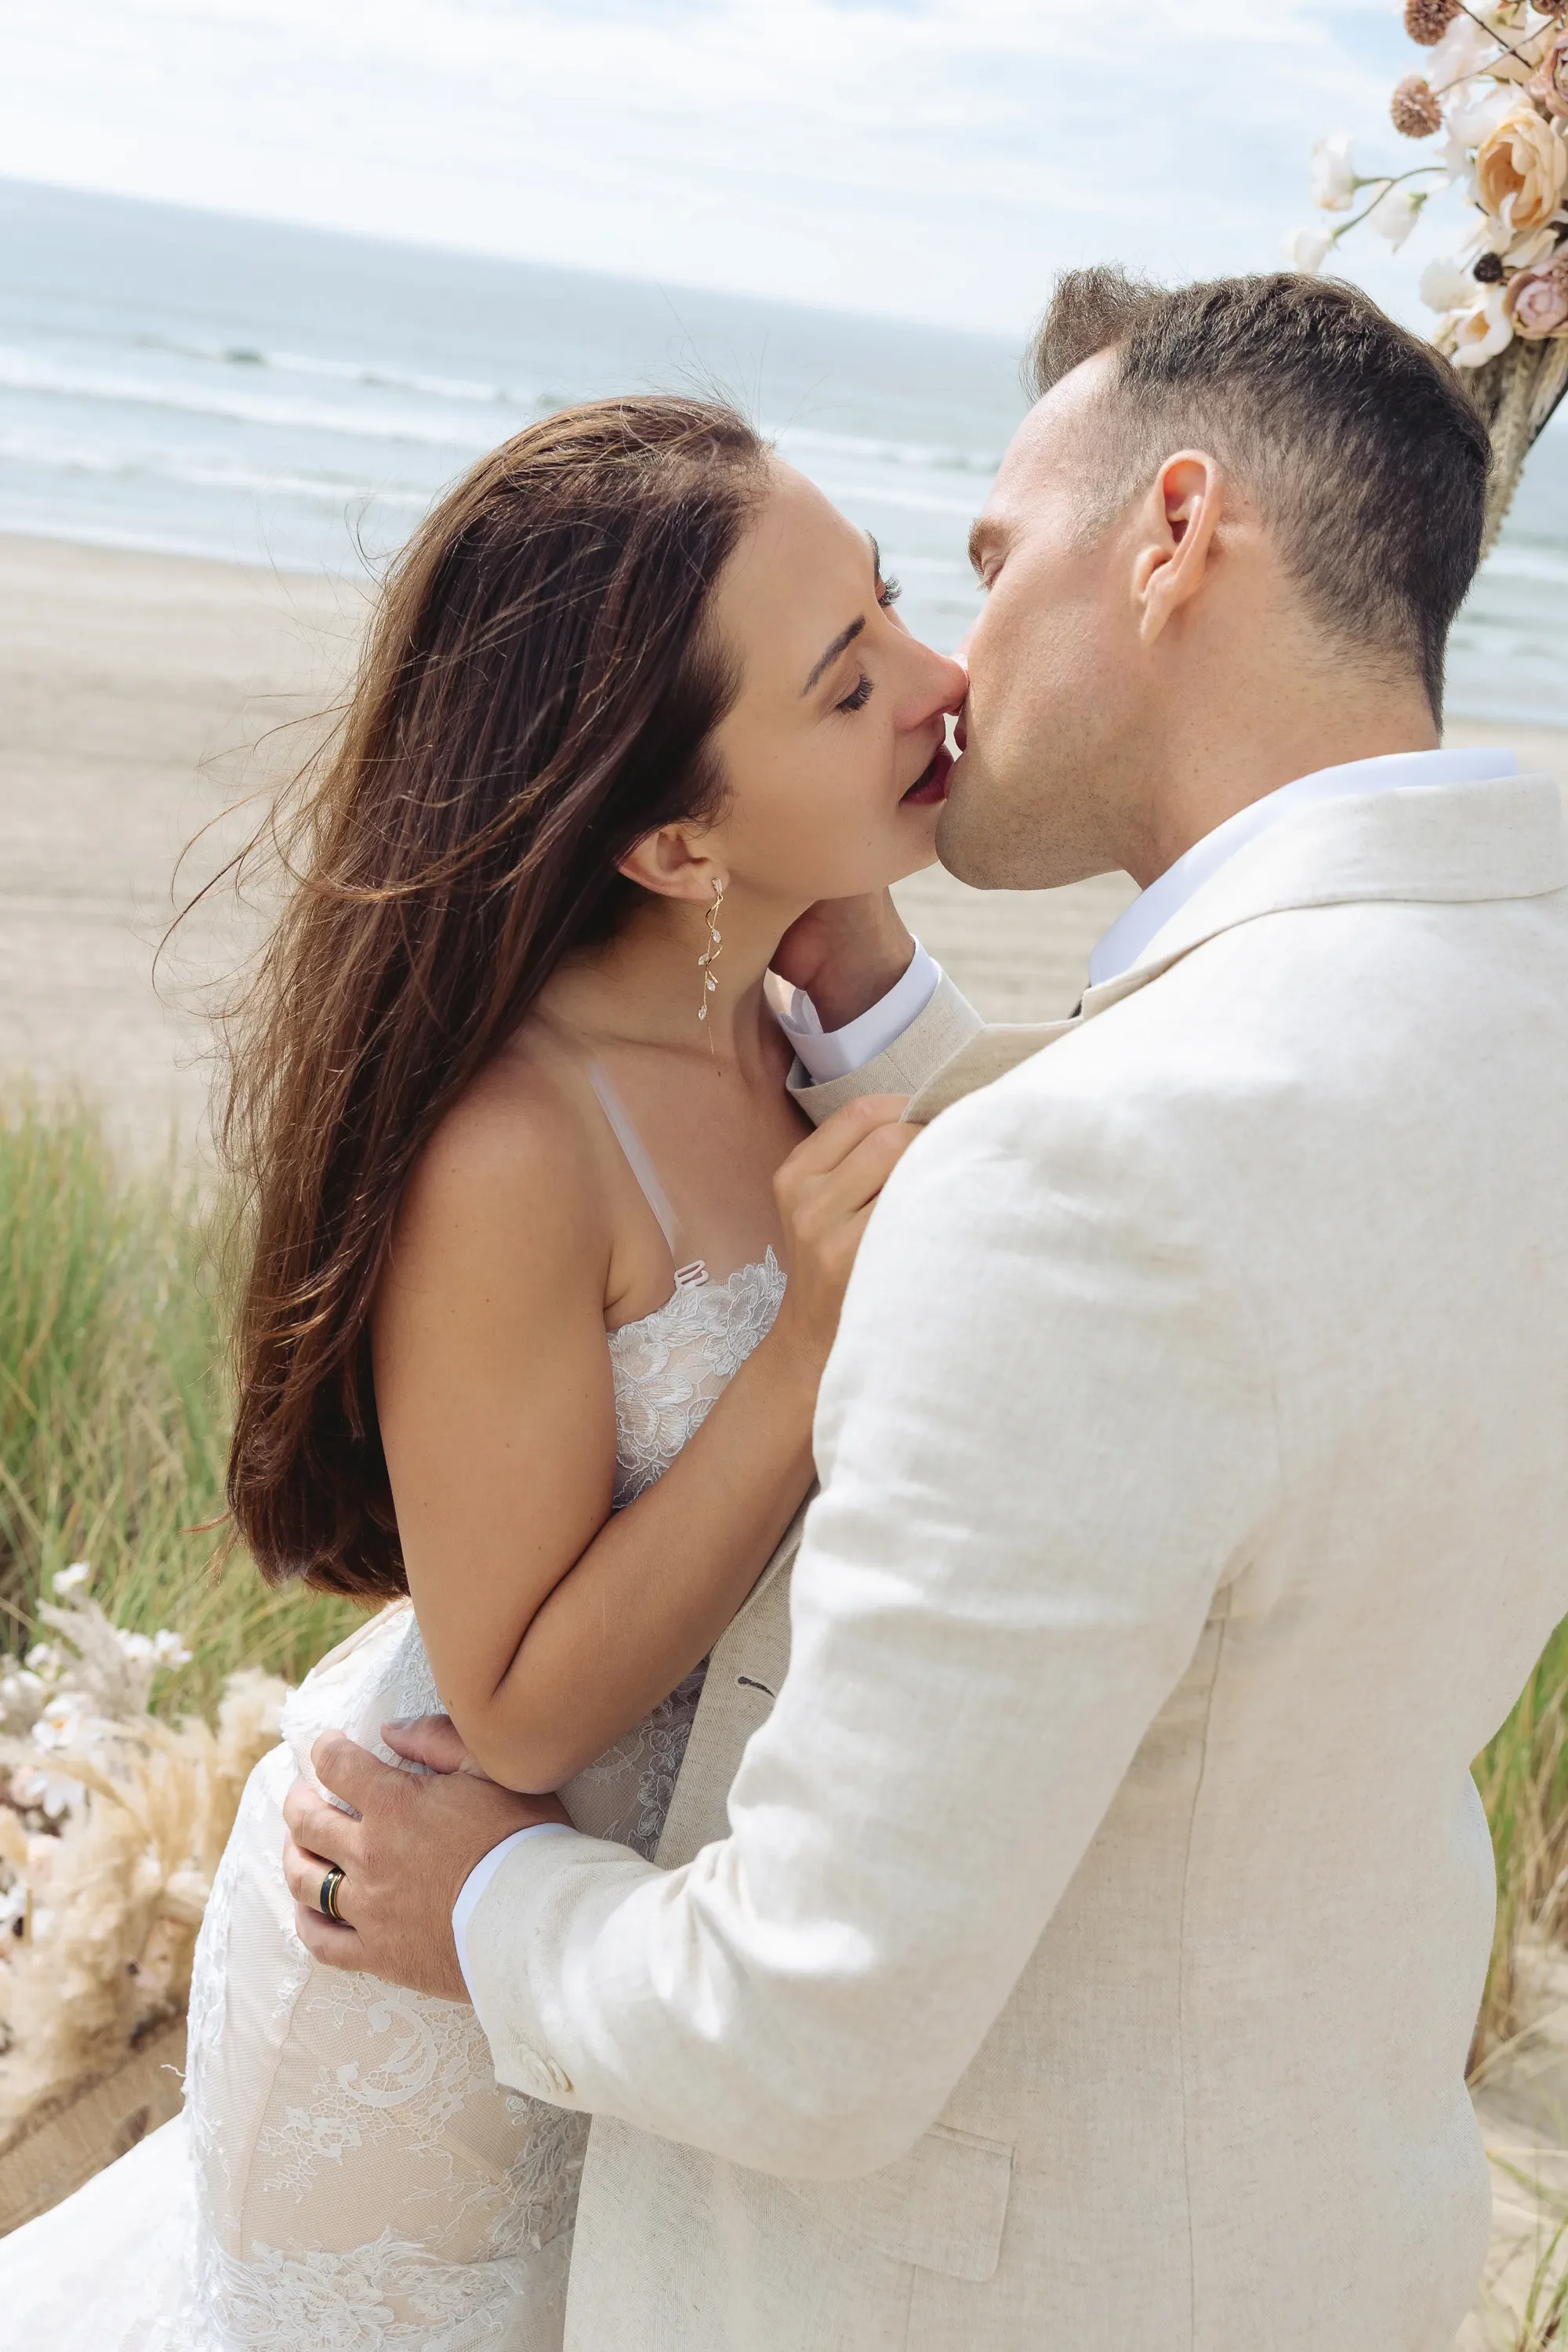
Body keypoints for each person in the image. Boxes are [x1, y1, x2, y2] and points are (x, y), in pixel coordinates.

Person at [285, 270, 1568, 2352]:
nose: (949, 663)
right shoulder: (1510, 1011)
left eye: (979, 563)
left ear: (1172, 536)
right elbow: (1201, 1291)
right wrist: (882, 1020)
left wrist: (487, 1903)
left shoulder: (1090, 1179)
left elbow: (809, 2022)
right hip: (1317, 2227)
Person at [0, 397, 979, 2346]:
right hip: (420, 2006)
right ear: (673, 836)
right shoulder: (518, 1145)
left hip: (598, 1970)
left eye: (893, 607)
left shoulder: (782, 1019)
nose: (943, 683)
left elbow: (1014, 1259)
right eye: (849, 681)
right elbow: (519, 1706)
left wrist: (860, 955)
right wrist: (798, 1354)